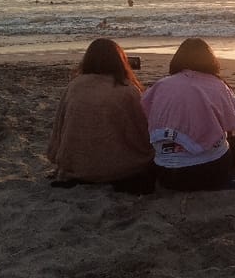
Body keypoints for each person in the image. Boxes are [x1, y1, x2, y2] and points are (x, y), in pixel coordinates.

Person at [47, 38, 155, 193]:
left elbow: (60, 126)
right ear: (119, 61)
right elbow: (142, 131)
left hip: (77, 166)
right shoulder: (127, 90)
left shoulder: (74, 86)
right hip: (118, 169)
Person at [141, 38, 235, 191]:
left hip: (166, 174)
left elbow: (145, 112)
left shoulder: (160, 85)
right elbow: (233, 120)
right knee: (230, 144)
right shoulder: (218, 85)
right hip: (211, 170)